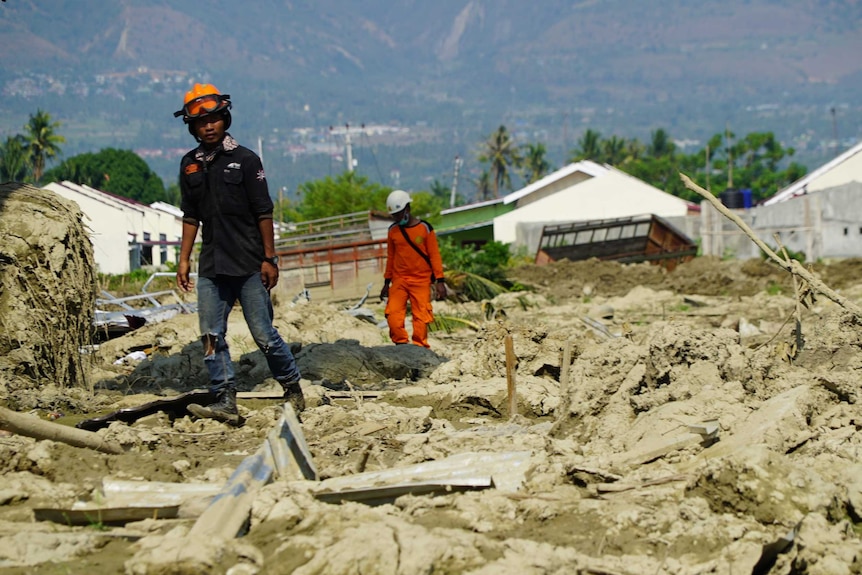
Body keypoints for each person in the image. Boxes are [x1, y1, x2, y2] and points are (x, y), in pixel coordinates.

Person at [173, 83, 304, 425]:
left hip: (248, 264)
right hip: (213, 267)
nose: (209, 126)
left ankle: (292, 387)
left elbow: (264, 212)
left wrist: (269, 259)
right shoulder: (190, 166)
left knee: (263, 333)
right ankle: (224, 398)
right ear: (192, 127)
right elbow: (190, 216)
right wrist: (184, 259)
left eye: (215, 119)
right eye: (201, 122)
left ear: (225, 119)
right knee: (210, 335)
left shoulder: (246, 160)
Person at [379, 190, 446, 348]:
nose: (396, 218)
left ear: (407, 209)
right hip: (399, 280)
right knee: (393, 316)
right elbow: (391, 257)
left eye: (399, 214)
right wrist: (386, 283)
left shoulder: (425, 229)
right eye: (394, 215)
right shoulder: (393, 231)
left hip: (421, 280)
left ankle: (419, 348)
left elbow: (434, 256)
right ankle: (401, 346)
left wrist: (440, 281)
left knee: (421, 317)